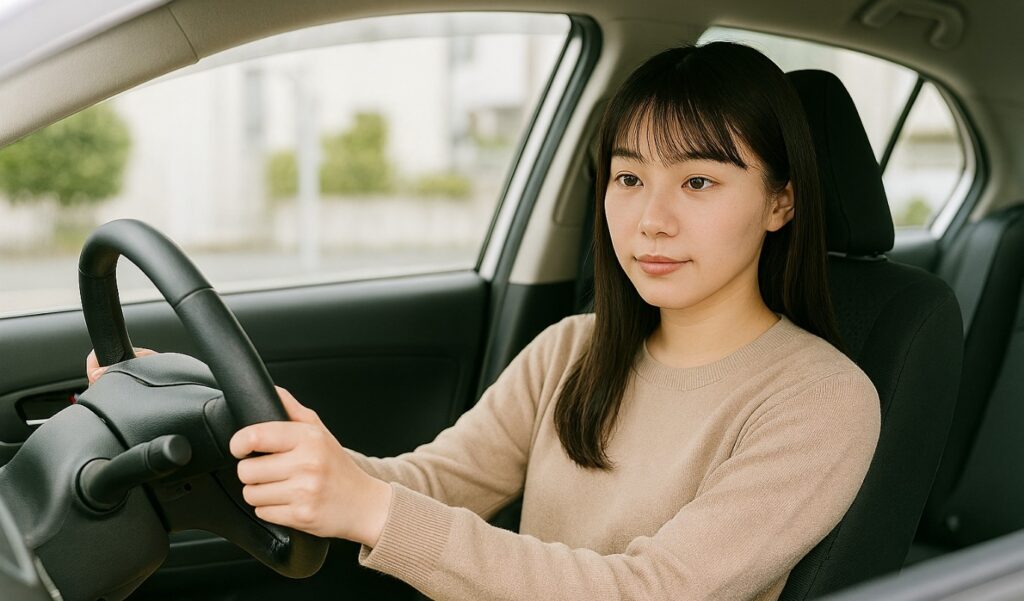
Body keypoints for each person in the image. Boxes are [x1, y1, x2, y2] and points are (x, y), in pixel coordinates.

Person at [87, 42, 880, 601]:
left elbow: (655, 590)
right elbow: (435, 484)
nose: (651, 220)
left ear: (781, 201)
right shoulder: (572, 347)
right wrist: (231, 421)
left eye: (699, 183)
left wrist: (370, 508)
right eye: (629, 177)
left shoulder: (819, 399)